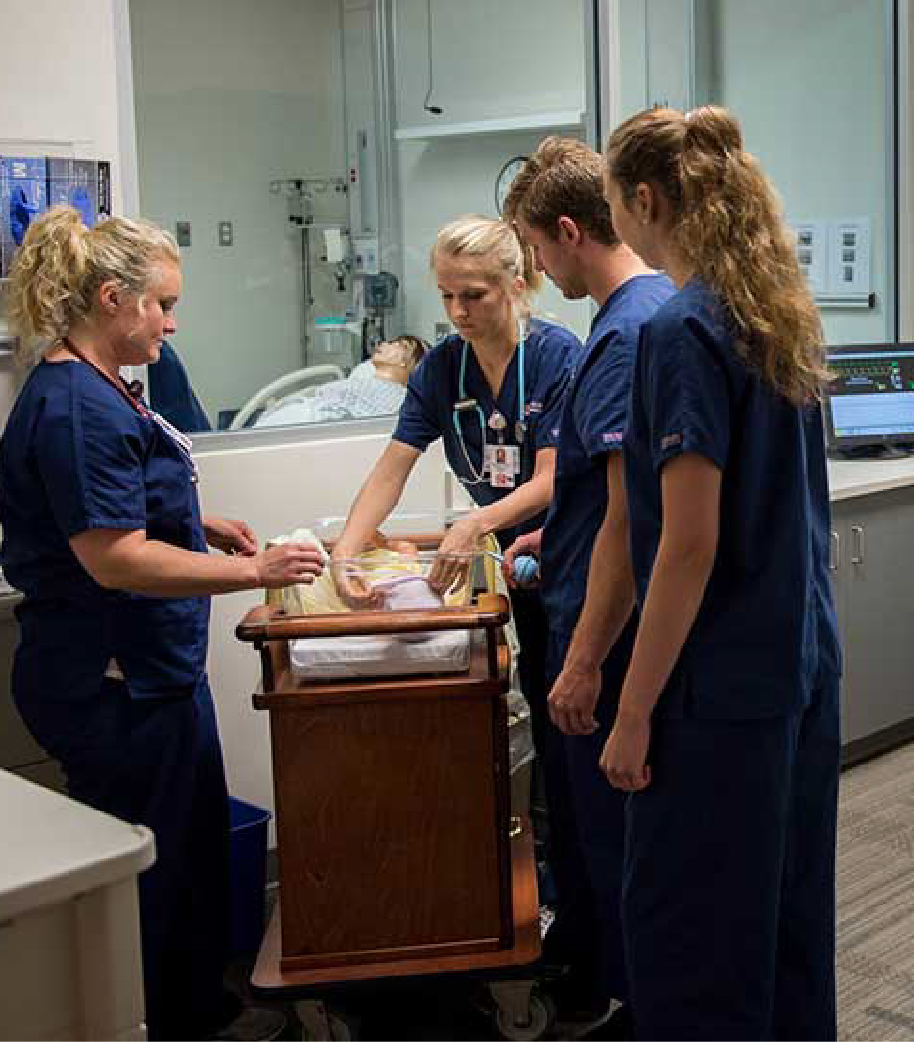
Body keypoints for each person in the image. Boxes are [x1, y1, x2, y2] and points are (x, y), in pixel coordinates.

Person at [0, 204, 326, 1040]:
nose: (170, 326)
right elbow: (116, 560)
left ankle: (199, 1007)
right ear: (113, 298)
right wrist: (254, 570)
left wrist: (198, 526)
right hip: (114, 689)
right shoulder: (77, 406)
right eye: (162, 306)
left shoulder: (106, 389)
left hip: (152, 680)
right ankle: (165, 1024)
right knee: (152, 868)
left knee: (189, 854)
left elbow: (128, 513)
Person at [588, 105, 842, 1039]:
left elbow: (686, 547)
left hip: (717, 692)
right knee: (783, 920)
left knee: (691, 937)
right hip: (797, 671)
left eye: (613, 198)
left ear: (644, 200)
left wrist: (631, 710)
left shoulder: (680, 331)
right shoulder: (777, 315)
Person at [324, 216, 593, 1001]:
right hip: (510, 565)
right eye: (445, 294)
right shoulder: (443, 369)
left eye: (473, 293)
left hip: (566, 569)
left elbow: (551, 476)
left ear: (519, 282)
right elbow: (392, 466)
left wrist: (476, 518)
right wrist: (347, 550)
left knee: (569, 755)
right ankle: (531, 909)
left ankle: (584, 936)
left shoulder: (557, 359)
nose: (458, 310)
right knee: (528, 746)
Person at [499, 135, 675, 1033]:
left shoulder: (621, 337)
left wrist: (583, 665)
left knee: (616, 842)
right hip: (586, 602)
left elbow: (627, 524)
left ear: (567, 232)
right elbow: (607, 498)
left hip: (599, 636)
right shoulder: (654, 314)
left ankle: (635, 1007)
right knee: (608, 836)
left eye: (533, 248)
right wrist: (547, 528)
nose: (535, 267)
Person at [252, 334, 429, 427]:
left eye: (395, 344)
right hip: (282, 424)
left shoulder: (398, 399)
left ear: (406, 360)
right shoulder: (362, 381)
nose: (384, 344)